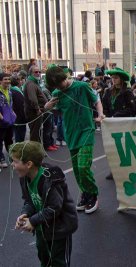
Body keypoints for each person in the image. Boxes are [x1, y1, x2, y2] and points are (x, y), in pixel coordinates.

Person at [44, 66, 105, 214]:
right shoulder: (57, 93)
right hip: (71, 134)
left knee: (84, 167)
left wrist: (101, 115)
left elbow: (96, 100)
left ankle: (93, 195)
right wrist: (47, 106)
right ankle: (85, 193)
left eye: (60, 83)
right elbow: (50, 109)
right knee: (77, 170)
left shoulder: (82, 86)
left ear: (65, 77)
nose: (59, 87)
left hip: (86, 131)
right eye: (56, 86)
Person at [11, 141, 78, 267]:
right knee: (44, 258)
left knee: (59, 262)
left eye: (15, 161)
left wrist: (33, 220)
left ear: (29, 164)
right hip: (42, 228)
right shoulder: (24, 178)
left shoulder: (50, 179)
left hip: (59, 230)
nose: (12, 165)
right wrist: (25, 214)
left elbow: (54, 208)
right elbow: (29, 200)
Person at [24, 66, 48, 143]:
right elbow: (32, 98)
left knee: (37, 133)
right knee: (34, 134)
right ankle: (34, 153)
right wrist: (37, 109)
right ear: (31, 73)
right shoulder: (31, 83)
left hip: (37, 112)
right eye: (36, 72)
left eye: (39, 72)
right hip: (34, 113)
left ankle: (37, 151)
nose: (38, 73)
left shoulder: (34, 82)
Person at [0, 72, 15, 168]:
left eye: (8, 79)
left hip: (8, 121)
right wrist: (3, 119)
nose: (7, 81)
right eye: (5, 79)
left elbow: (10, 105)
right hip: (1, 122)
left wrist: (13, 114)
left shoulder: (9, 91)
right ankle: (1, 159)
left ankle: (12, 157)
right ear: (0, 81)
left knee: (9, 140)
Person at [10, 75, 27, 142]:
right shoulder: (15, 92)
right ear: (17, 82)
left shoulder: (15, 90)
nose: (22, 81)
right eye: (20, 80)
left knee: (19, 134)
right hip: (19, 117)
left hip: (19, 117)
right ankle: (19, 150)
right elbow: (20, 106)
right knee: (20, 135)